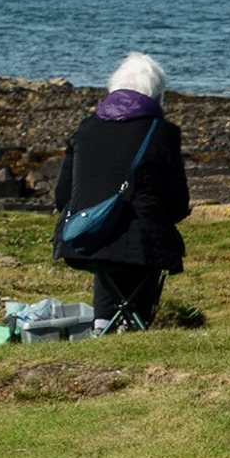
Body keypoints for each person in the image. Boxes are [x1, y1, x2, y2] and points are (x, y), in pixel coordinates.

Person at [54, 53, 191, 332]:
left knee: (106, 238)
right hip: (143, 248)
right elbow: (177, 205)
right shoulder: (162, 132)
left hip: (81, 240)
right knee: (143, 233)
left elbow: (61, 196)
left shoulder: (86, 128)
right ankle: (132, 320)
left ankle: (103, 322)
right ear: (158, 95)